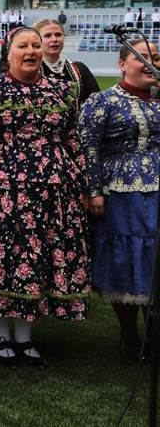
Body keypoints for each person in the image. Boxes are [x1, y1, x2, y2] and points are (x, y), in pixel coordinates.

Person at [0, 26, 91, 368]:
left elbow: (73, 141)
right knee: (4, 258)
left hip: (54, 191)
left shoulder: (62, 91)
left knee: (38, 260)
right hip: (4, 192)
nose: (31, 51)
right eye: (23, 46)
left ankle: (25, 336)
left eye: (36, 45)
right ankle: (0, 334)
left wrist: (82, 185)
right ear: (9, 52)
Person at [80, 38, 160, 358]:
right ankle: (129, 335)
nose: (151, 62)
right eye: (143, 57)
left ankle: (153, 336)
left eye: (156, 57)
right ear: (122, 64)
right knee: (127, 261)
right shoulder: (103, 101)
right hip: (123, 193)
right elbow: (88, 148)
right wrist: (94, 190)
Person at [34, 18, 100, 106]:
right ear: (36, 40)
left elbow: (97, 104)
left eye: (58, 35)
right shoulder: (30, 70)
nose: (54, 39)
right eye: (47, 36)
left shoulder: (79, 69)